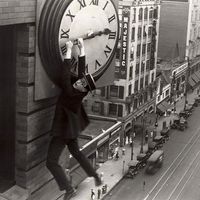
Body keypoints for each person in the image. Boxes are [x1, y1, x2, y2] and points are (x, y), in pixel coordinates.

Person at [46, 38, 103, 200]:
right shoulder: (81, 90)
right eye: (80, 80)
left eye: (81, 83)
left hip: (63, 131)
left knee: (51, 162)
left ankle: (68, 189)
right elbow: (81, 73)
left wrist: (69, 51)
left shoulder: (71, 93)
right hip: (71, 128)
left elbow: (65, 76)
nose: (78, 81)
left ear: (83, 88)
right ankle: (95, 176)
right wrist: (82, 48)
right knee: (76, 152)